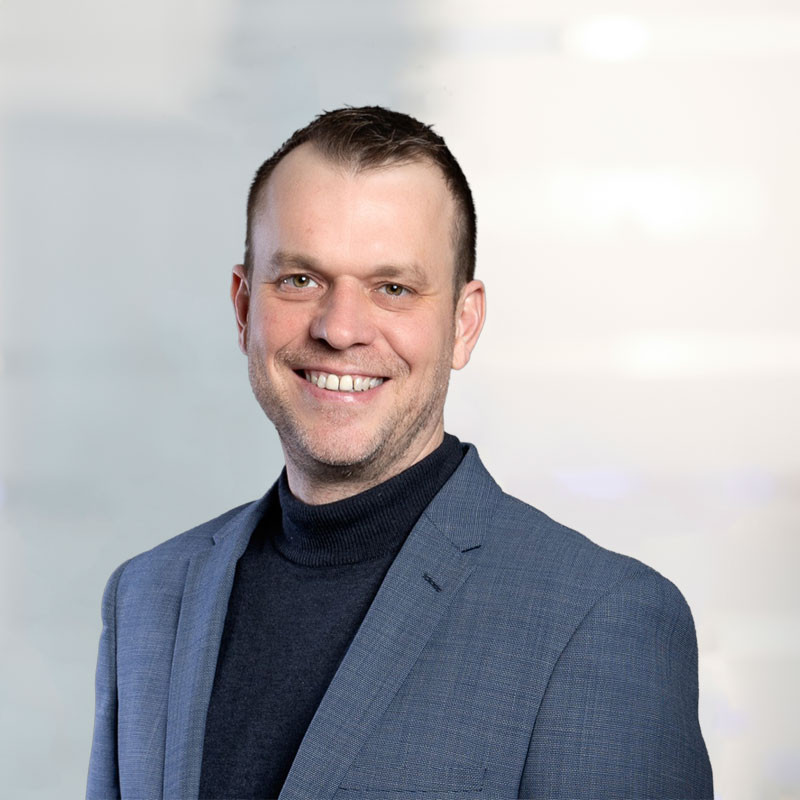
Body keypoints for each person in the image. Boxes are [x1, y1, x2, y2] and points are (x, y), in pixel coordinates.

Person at [87, 106, 713, 800]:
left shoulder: (602, 620)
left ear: (463, 323)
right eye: (300, 279)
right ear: (243, 307)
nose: (340, 328)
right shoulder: (146, 601)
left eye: (393, 288)